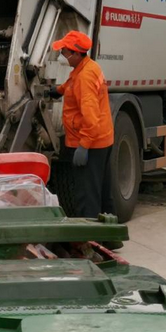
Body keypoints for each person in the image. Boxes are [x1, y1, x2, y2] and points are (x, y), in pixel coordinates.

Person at [49, 30, 115, 218]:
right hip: (102, 140)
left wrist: (84, 146)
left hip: (90, 144)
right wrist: (59, 90)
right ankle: (110, 231)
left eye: (65, 52)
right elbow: (72, 84)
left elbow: (91, 118)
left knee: (86, 197)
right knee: (103, 192)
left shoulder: (85, 78)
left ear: (77, 53)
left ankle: (89, 233)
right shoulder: (88, 67)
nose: (63, 55)